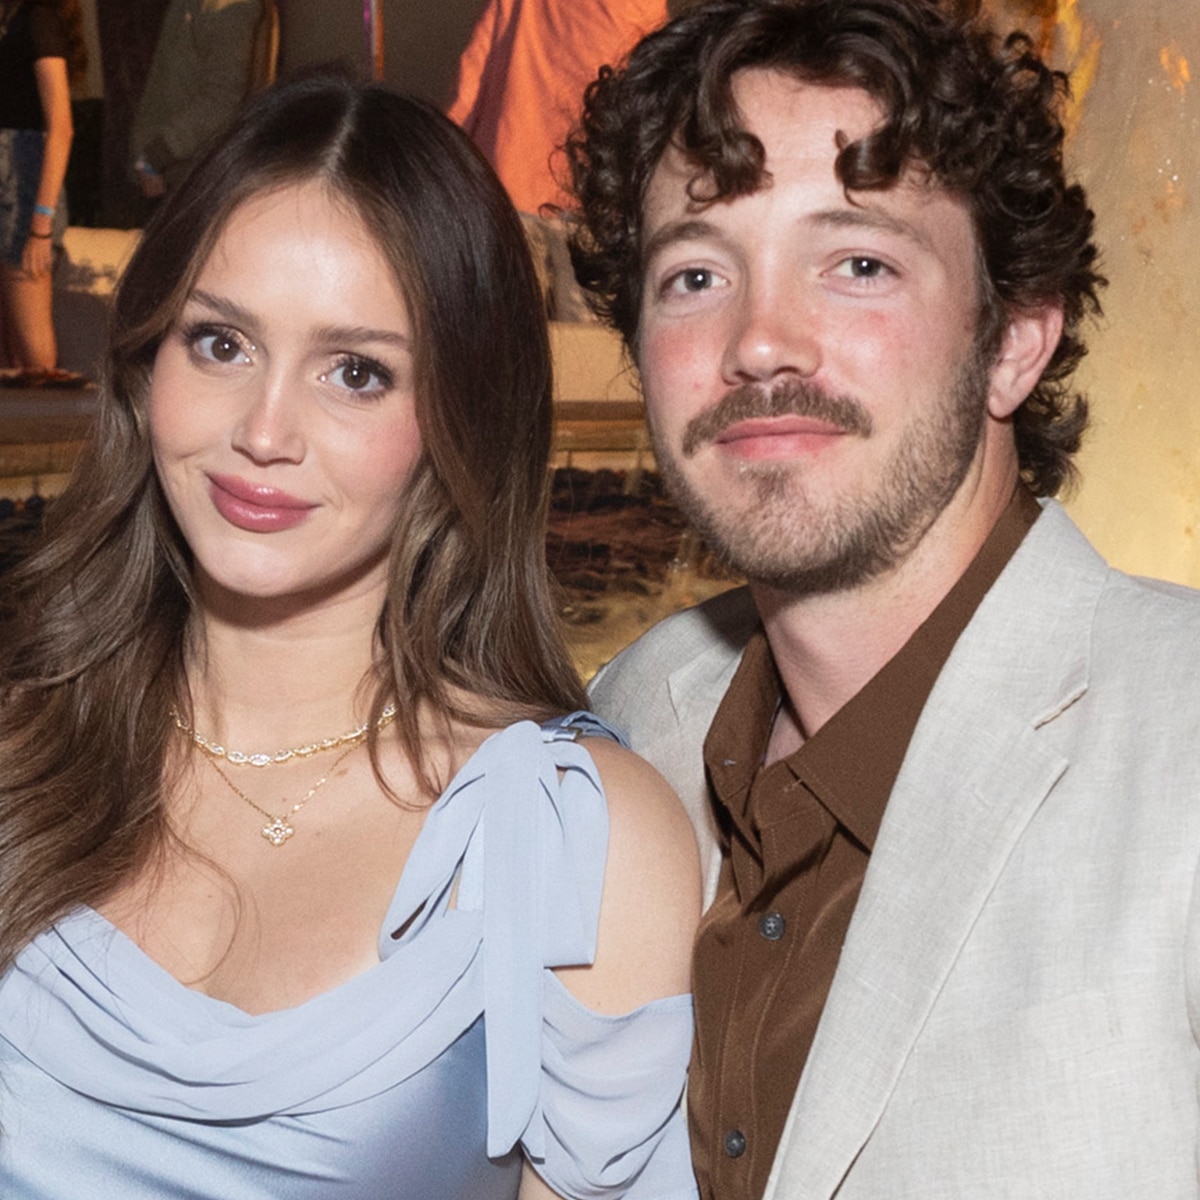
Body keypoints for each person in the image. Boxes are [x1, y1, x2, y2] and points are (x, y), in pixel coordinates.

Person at [0, 71, 700, 1198]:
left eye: (356, 373)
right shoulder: (22, 745)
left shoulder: (573, 844)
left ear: (462, 413)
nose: (264, 430)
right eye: (221, 344)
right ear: (146, 362)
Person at [570, 0, 1200, 1196]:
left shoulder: (1181, 748)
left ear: (1013, 341)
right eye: (695, 274)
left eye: (857, 264)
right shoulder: (629, 724)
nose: (761, 341)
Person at [448, 0, 668, 321]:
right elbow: (653, 105)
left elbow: (469, 86)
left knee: (511, 341)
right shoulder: (637, 10)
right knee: (590, 347)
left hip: (508, 197)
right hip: (595, 210)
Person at [0, 0, 87, 368]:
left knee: (32, 348)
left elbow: (61, 128)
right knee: (11, 351)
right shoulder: (14, 17)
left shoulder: (39, 18)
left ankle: (46, 408)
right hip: (10, 182)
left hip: (23, 191)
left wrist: (40, 225)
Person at [129, 0, 267, 202]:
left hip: (189, 175)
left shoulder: (232, 10)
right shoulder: (188, 5)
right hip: (163, 165)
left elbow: (221, 101)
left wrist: (158, 153)